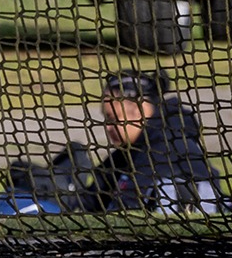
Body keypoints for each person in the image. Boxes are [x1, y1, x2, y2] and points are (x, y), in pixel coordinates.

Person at [85, 69, 222, 214]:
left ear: (140, 109)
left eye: (113, 118)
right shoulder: (131, 150)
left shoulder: (167, 146)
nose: (108, 127)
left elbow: (127, 207)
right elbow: (92, 197)